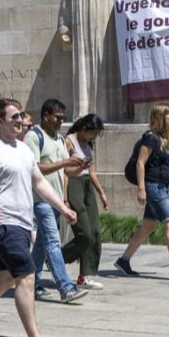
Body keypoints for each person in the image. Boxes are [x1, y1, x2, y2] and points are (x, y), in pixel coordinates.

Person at [0, 98, 77, 337]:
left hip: (23, 222)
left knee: (5, 278)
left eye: (20, 116)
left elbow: (39, 183)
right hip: (2, 223)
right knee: (27, 276)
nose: (20, 121)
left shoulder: (23, 149)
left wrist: (63, 208)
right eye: (14, 117)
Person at [114, 104, 169, 281]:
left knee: (148, 226)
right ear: (161, 118)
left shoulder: (163, 139)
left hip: (160, 186)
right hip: (154, 187)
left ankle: (123, 261)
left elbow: (164, 161)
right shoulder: (151, 138)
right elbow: (140, 163)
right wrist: (141, 189)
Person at [56, 0, 128, 120]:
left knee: (110, 71)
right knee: (84, 73)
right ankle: (84, 115)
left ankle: (111, 114)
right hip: (83, 33)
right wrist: (64, 28)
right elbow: (65, 5)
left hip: (109, 31)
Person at [24, 99, 86, 303]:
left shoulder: (60, 139)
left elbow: (63, 170)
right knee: (52, 241)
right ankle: (65, 287)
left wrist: (77, 167)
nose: (62, 121)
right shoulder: (34, 136)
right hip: (40, 200)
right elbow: (34, 168)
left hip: (56, 199)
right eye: (58, 118)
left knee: (41, 245)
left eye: (63, 118)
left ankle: (31, 285)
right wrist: (64, 162)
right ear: (46, 116)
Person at [62, 113, 109, 289]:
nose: (94, 137)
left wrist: (102, 193)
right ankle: (57, 258)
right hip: (73, 184)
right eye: (92, 133)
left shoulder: (88, 144)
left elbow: (92, 171)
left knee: (95, 231)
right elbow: (65, 170)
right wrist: (65, 199)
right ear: (84, 128)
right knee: (84, 233)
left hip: (87, 185)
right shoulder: (69, 141)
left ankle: (85, 276)